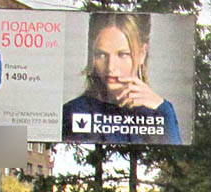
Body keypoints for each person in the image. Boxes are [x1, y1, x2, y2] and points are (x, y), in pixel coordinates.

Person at [62, 12, 180, 144]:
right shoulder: (72, 112)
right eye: (101, 55)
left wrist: (163, 112)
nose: (111, 67)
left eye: (123, 55)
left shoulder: (161, 111)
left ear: (142, 54)